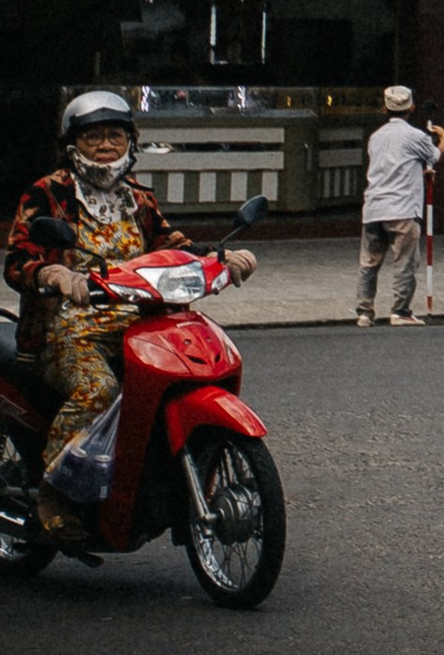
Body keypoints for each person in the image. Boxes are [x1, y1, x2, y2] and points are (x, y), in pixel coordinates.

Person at [6, 89, 256, 542]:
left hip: (140, 321)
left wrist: (219, 258)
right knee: (99, 390)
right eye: (93, 136)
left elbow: (171, 247)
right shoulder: (47, 193)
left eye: (115, 136)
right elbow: (17, 260)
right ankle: (54, 491)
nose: (105, 145)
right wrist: (54, 274)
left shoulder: (138, 198)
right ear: (72, 145)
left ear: (130, 142)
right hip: (70, 326)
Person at [356, 82, 444, 327]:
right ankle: (401, 311)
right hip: (403, 208)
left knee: (369, 263)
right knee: (405, 262)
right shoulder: (415, 136)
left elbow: (391, 166)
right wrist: (443, 137)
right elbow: (435, 156)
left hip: (374, 207)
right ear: (412, 108)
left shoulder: (376, 137)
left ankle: (364, 312)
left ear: (385, 109)